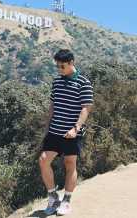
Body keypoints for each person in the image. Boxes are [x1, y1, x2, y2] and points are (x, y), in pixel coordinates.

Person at [38, 49, 93, 216]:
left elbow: (86, 108)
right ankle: (53, 198)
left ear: (71, 62)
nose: (59, 69)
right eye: (57, 66)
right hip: (54, 131)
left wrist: (75, 128)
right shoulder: (56, 82)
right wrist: (47, 127)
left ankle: (67, 201)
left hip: (72, 133)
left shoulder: (84, 82)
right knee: (43, 161)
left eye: (62, 66)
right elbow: (52, 106)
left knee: (70, 164)